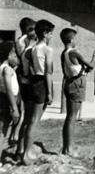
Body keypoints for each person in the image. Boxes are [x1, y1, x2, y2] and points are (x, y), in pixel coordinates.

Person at [21, 19, 54, 165]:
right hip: (41, 82)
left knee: (30, 120)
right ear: (45, 33)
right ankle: (27, 154)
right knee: (35, 120)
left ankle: (23, 150)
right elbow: (48, 72)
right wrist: (50, 92)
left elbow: (28, 70)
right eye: (51, 33)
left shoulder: (33, 48)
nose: (51, 36)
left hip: (32, 81)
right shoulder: (48, 49)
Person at [60, 28, 94, 155]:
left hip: (69, 83)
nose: (76, 41)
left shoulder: (64, 53)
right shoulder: (74, 52)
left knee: (69, 117)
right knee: (72, 117)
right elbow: (90, 67)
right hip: (77, 85)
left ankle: (66, 147)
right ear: (71, 39)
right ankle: (68, 149)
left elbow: (72, 69)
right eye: (75, 38)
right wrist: (94, 58)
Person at [15, 18, 37, 157]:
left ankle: (21, 148)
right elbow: (24, 60)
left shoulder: (25, 40)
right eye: (34, 29)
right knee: (27, 116)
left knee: (27, 117)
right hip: (25, 81)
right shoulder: (22, 41)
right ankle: (20, 149)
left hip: (25, 80)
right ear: (28, 29)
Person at [0, 41, 20, 154]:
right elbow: (8, 89)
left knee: (3, 130)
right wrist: (14, 107)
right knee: (3, 131)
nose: (16, 57)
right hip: (7, 100)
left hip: (4, 98)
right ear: (8, 56)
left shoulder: (3, 67)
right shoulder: (7, 69)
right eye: (14, 55)